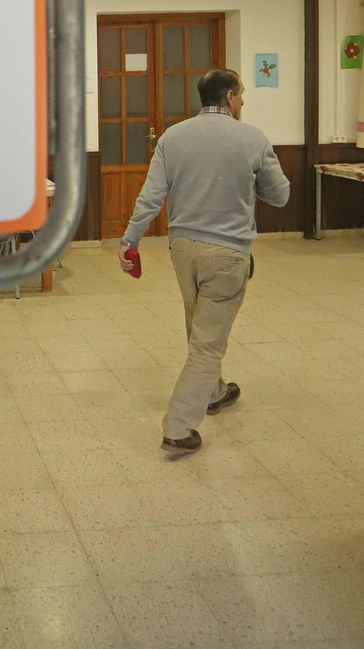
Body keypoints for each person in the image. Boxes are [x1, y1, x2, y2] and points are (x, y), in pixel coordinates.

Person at [118, 68, 290, 454]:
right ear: (229, 97)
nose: (243, 100)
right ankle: (178, 428)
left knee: (198, 324)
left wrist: (130, 240)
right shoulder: (253, 138)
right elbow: (280, 195)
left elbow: (151, 196)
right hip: (227, 253)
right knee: (208, 343)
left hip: (182, 249)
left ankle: (213, 392)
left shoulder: (172, 137)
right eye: (240, 94)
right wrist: (248, 180)